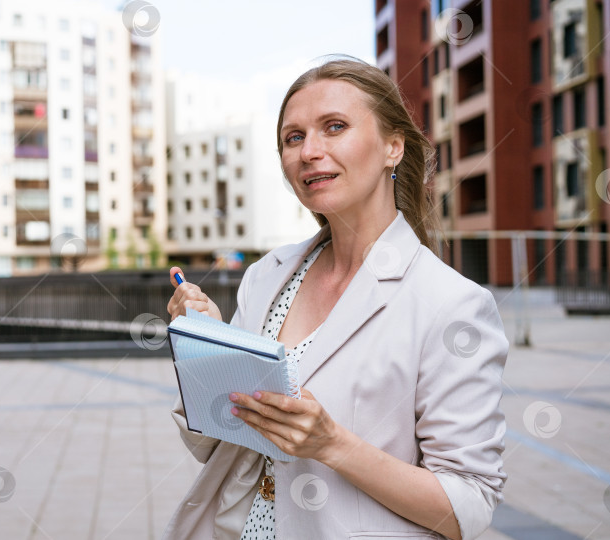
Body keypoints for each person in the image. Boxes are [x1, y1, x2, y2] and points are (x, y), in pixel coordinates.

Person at [163, 58, 508, 540]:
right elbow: (218, 441)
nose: (309, 152)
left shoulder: (451, 305)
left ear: (393, 146)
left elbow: (466, 507)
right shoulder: (267, 276)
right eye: (294, 137)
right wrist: (207, 344)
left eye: (335, 127)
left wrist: (333, 446)